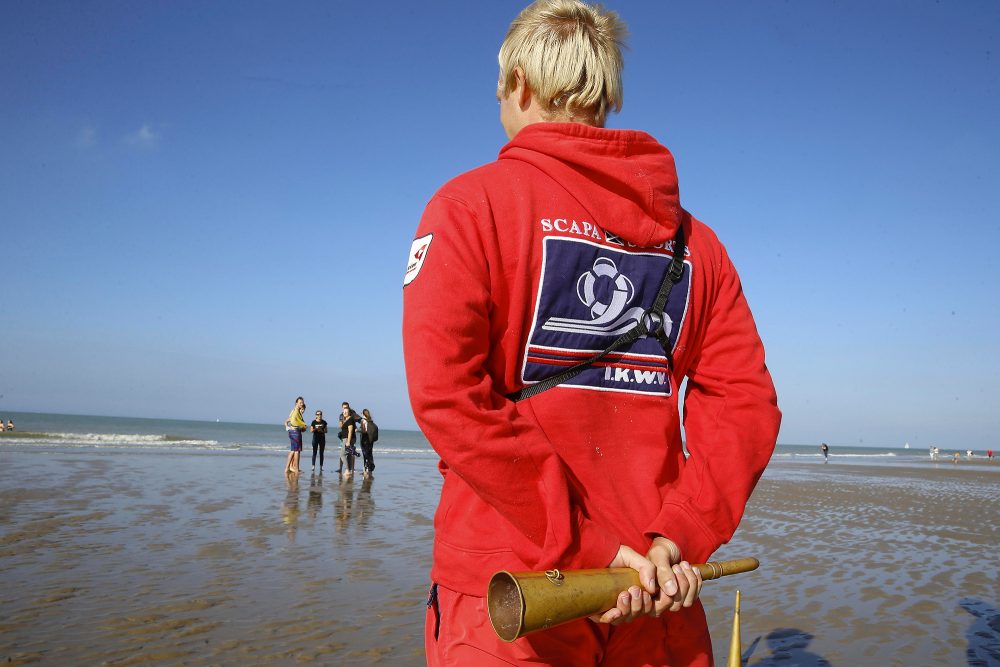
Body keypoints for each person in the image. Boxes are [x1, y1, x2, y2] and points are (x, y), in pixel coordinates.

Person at [402, 2, 781, 664]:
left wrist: (590, 545)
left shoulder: (468, 207)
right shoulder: (700, 247)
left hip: (516, 594)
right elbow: (744, 405)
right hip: (657, 589)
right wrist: (674, 539)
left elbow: (447, 396)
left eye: (499, 94)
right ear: (606, 94)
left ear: (519, 83)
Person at [284, 396, 307, 474]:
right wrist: (304, 425)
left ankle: (289, 468)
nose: (301, 404)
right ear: (296, 403)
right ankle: (295, 469)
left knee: (294, 451)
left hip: (295, 432)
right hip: (294, 432)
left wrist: (303, 426)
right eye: (300, 402)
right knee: (296, 451)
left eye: (302, 403)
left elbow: (296, 422)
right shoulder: (295, 411)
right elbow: (293, 421)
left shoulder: (297, 411)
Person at [338, 403, 357, 479]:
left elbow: (350, 431)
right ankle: (348, 470)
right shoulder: (345, 419)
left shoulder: (350, 419)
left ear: (349, 412)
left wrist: (348, 441)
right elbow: (341, 427)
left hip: (347, 439)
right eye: (344, 411)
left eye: (346, 411)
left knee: (342, 454)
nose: (344, 413)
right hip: (344, 438)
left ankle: (347, 470)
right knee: (348, 455)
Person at [359, 408, 379, 477]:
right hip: (370, 440)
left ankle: (365, 470)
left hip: (364, 439)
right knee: (369, 454)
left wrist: (357, 430)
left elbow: (364, 431)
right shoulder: (371, 421)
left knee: (365, 455)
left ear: (363, 414)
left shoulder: (363, 421)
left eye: (362, 413)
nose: (361, 414)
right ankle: (369, 469)